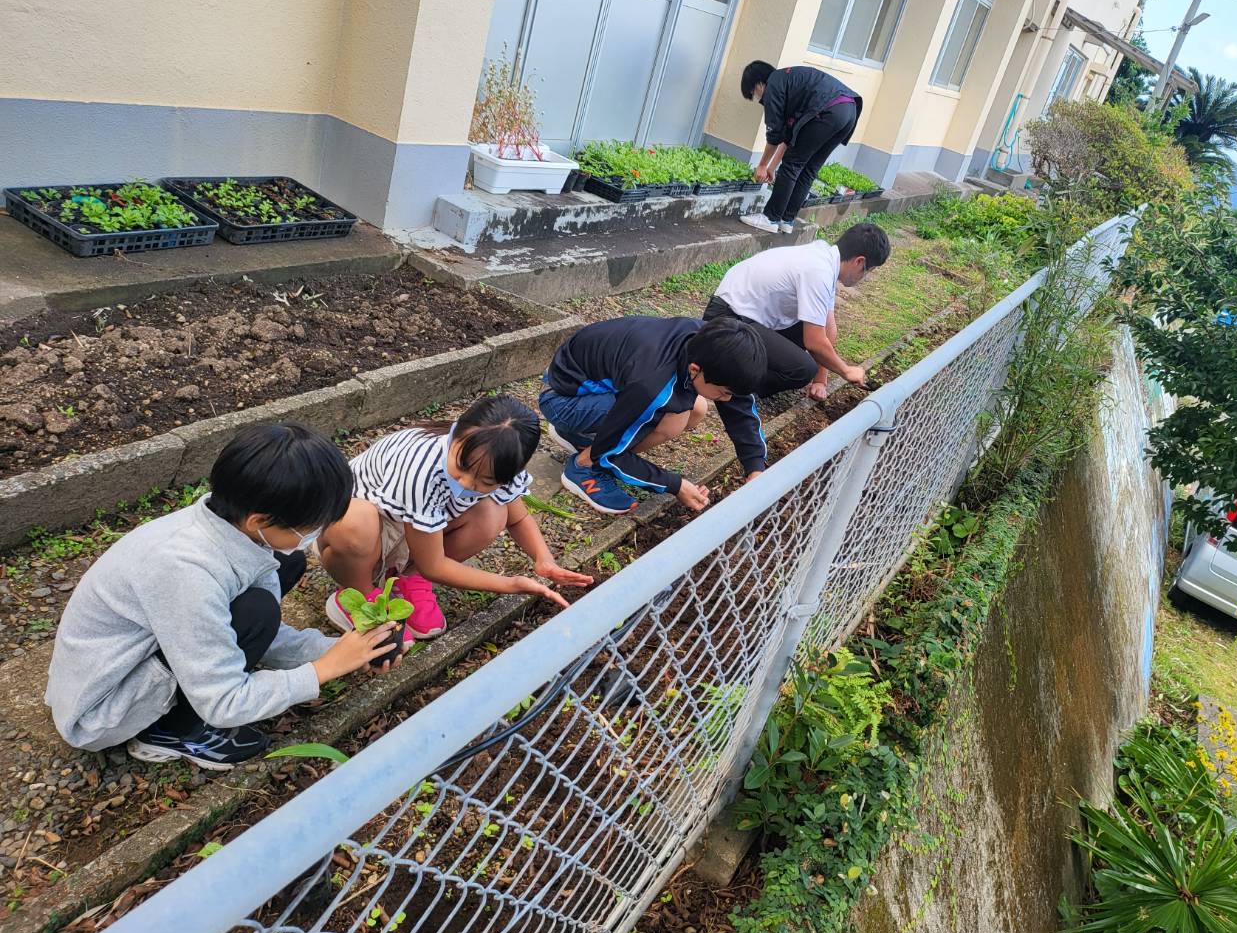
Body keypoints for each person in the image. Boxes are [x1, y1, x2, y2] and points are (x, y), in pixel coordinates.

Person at [45, 423, 398, 770]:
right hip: (103, 707)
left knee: (285, 566)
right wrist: (323, 670)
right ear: (259, 520)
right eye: (310, 527)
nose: (318, 534)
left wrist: (343, 650)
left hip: (138, 653)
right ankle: (170, 731)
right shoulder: (186, 570)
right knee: (258, 609)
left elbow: (264, 635)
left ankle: (180, 711)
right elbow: (224, 701)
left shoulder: (229, 525)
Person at [317, 397, 588, 644]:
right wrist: (510, 584)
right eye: (462, 467)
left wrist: (543, 559)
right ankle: (358, 595)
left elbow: (517, 519)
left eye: (485, 482)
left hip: (416, 527)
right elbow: (434, 565)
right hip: (359, 532)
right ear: (455, 432)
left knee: (493, 513)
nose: (467, 483)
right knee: (356, 521)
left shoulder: (500, 465)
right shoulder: (421, 469)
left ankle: (408, 579)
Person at [539, 316, 769, 515]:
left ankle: (578, 435)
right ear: (694, 370)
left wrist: (755, 467)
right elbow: (611, 454)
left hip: (583, 383)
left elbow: (738, 404)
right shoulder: (651, 384)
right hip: (561, 400)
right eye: (724, 393)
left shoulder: (710, 341)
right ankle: (584, 466)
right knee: (672, 419)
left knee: (697, 410)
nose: (727, 400)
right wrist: (675, 485)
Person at [705, 222, 891, 401]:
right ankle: (732, 379)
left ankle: (743, 364)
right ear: (859, 261)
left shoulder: (825, 259)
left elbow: (828, 328)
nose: (864, 277)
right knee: (802, 370)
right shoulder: (819, 271)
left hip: (745, 315)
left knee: (806, 330)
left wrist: (820, 381)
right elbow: (814, 342)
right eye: (868, 271)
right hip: (727, 319)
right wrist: (846, 371)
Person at [738, 60, 863, 236]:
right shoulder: (790, 85)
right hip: (848, 110)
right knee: (808, 169)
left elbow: (774, 134)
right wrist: (772, 167)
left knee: (792, 165)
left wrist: (762, 165)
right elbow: (789, 137)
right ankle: (786, 220)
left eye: (754, 93)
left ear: (759, 83)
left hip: (829, 110)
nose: (759, 99)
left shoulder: (774, 85)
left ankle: (770, 218)